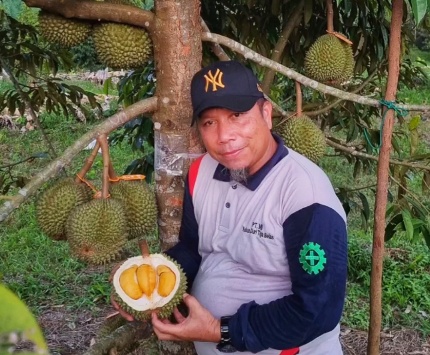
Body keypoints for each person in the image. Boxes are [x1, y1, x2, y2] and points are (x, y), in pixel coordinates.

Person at [114, 60, 348, 355]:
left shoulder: (305, 196)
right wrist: (152, 286)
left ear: (266, 113)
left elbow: (317, 310)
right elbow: (192, 247)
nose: (224, 136)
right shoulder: (201, 172)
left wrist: (218, 330)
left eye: (237, 115)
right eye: (209, 122)